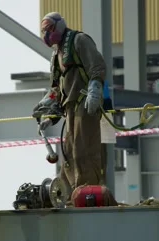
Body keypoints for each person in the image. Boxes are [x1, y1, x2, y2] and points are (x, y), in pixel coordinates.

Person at [32, 12, 111, 204]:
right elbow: (57, 90)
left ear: (59, 26)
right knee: (68, 151)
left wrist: (95, 90)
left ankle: (88, 193)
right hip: (70, 109)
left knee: (85, 149)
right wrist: (50, 116)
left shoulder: (79, 41)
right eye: (44, 31)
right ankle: (70, 195)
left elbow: (97, 67)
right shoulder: (57, 55)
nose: (47, 35)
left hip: (85, 104)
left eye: (49, 30)